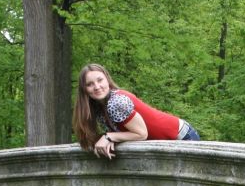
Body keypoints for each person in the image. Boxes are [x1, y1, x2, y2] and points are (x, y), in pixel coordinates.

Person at [72, 63, 200, 160]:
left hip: (182, 137)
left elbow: (141, 134)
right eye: (90, 84)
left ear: (107, 80)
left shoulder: (116, 102)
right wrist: (109, 138)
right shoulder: (99, 108)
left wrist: (109, 137)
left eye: (100, 80)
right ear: (84, 89)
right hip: (167, 142)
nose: (97, 87)